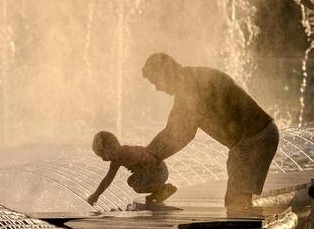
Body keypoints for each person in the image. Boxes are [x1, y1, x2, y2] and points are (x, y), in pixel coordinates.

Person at [141, 52, 280, 208]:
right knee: (237, 200)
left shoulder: (191, 86)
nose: (158, 88)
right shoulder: (190, 82)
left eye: (156, 82)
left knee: (237, 201)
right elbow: (175, 131)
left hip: (255, 139)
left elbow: (182, 133)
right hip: (251, 140)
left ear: (165, 73)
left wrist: (147, 155)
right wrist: (149, 154)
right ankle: (247, 227)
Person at [87, 130, 178, 206]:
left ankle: (163, 189)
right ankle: (158, 192)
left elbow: (152, 160)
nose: (103, 159)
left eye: (102, 155)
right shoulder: (116, 161)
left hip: (159, 171)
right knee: (132, 181)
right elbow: (107, 179)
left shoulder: (129, 152)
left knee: (136, 184)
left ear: (110, 149)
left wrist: (142, 171)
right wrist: (96, 195)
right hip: (154, 173)